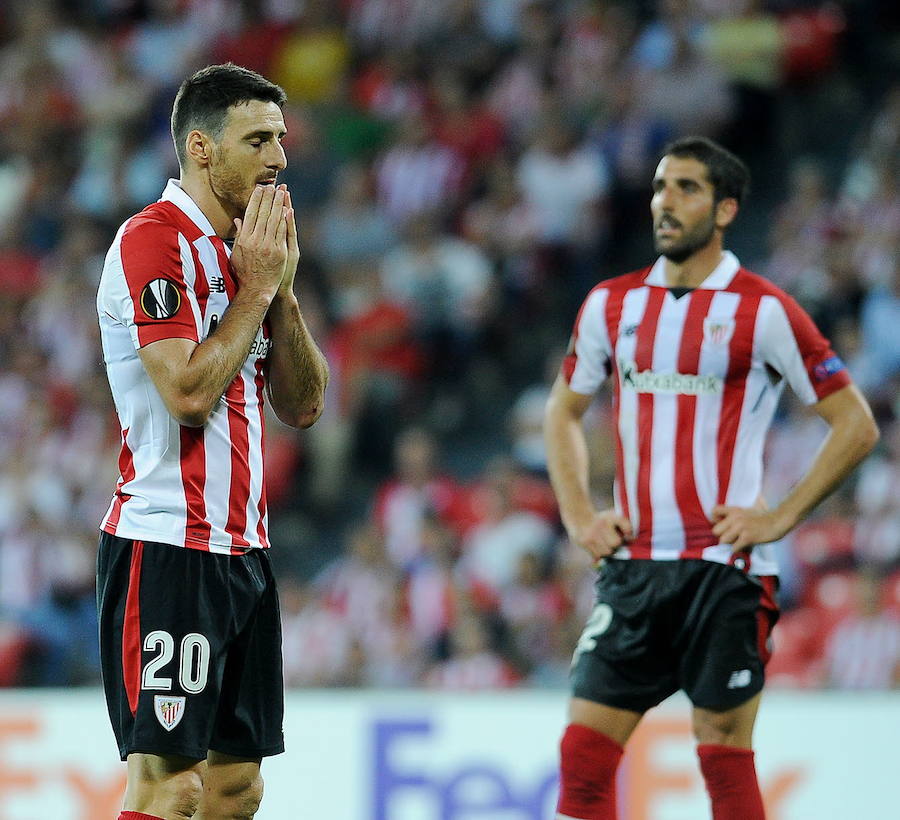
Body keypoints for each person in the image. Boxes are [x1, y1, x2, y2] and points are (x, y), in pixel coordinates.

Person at [544, 136, 879, 820]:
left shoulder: (764, 310)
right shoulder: (612, 305)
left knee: (721, 751)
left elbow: (856, 424)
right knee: (583, 757)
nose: (665, 201)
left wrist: (779, 517)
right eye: (662, 186)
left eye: (687, 188)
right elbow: (563, 412)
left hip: (725, 567)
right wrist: (579, 515)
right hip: (633, 567)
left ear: (726, 209)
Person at [95, 64, 329, 820]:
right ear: (201, 147)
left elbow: (304, 405)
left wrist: (281, 293)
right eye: (258, 140)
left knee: (236, 786)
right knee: (172, 785)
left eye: (281, 140)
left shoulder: (250, 252)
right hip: (168, 545)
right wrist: (257, 291)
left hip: (244, 552)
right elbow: (189, 394)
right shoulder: (152, 243)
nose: (279, 158)